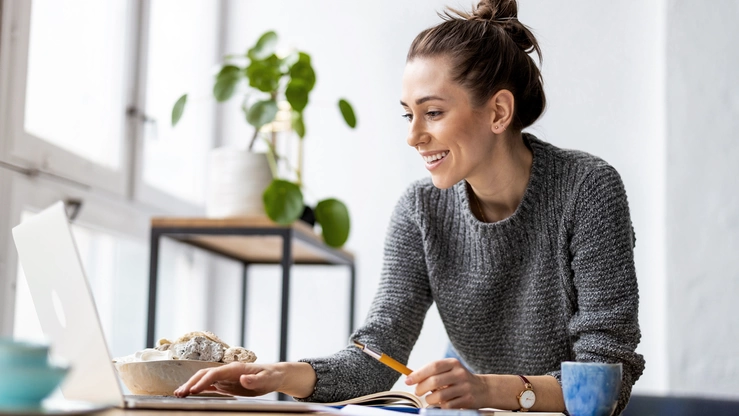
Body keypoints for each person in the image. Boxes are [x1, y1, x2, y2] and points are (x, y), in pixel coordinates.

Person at [175, 0, 645, 413]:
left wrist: (486, 389)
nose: (413, 135)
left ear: (499, 112)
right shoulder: (420, 210)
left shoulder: (587, 189)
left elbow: (605, 380)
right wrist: (280, 378)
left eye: (433, 112)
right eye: (408, 113)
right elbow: (375, 357)